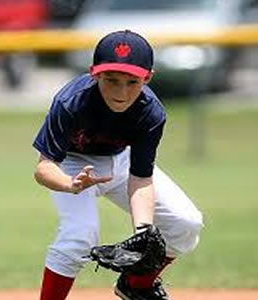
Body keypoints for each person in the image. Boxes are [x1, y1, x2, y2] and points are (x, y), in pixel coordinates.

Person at [33, 30, 204, 300]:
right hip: (72, 165)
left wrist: (143, 231)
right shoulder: (71, 102)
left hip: (121, 162)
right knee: (79, 236)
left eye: (132, 81)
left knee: (186, 223)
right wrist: (70, 184)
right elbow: (43, 167)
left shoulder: (151, 112)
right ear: (94, 74)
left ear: (147, 78)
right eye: (111, 80)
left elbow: (141, 176)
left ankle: (136, 285)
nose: (121, 91)